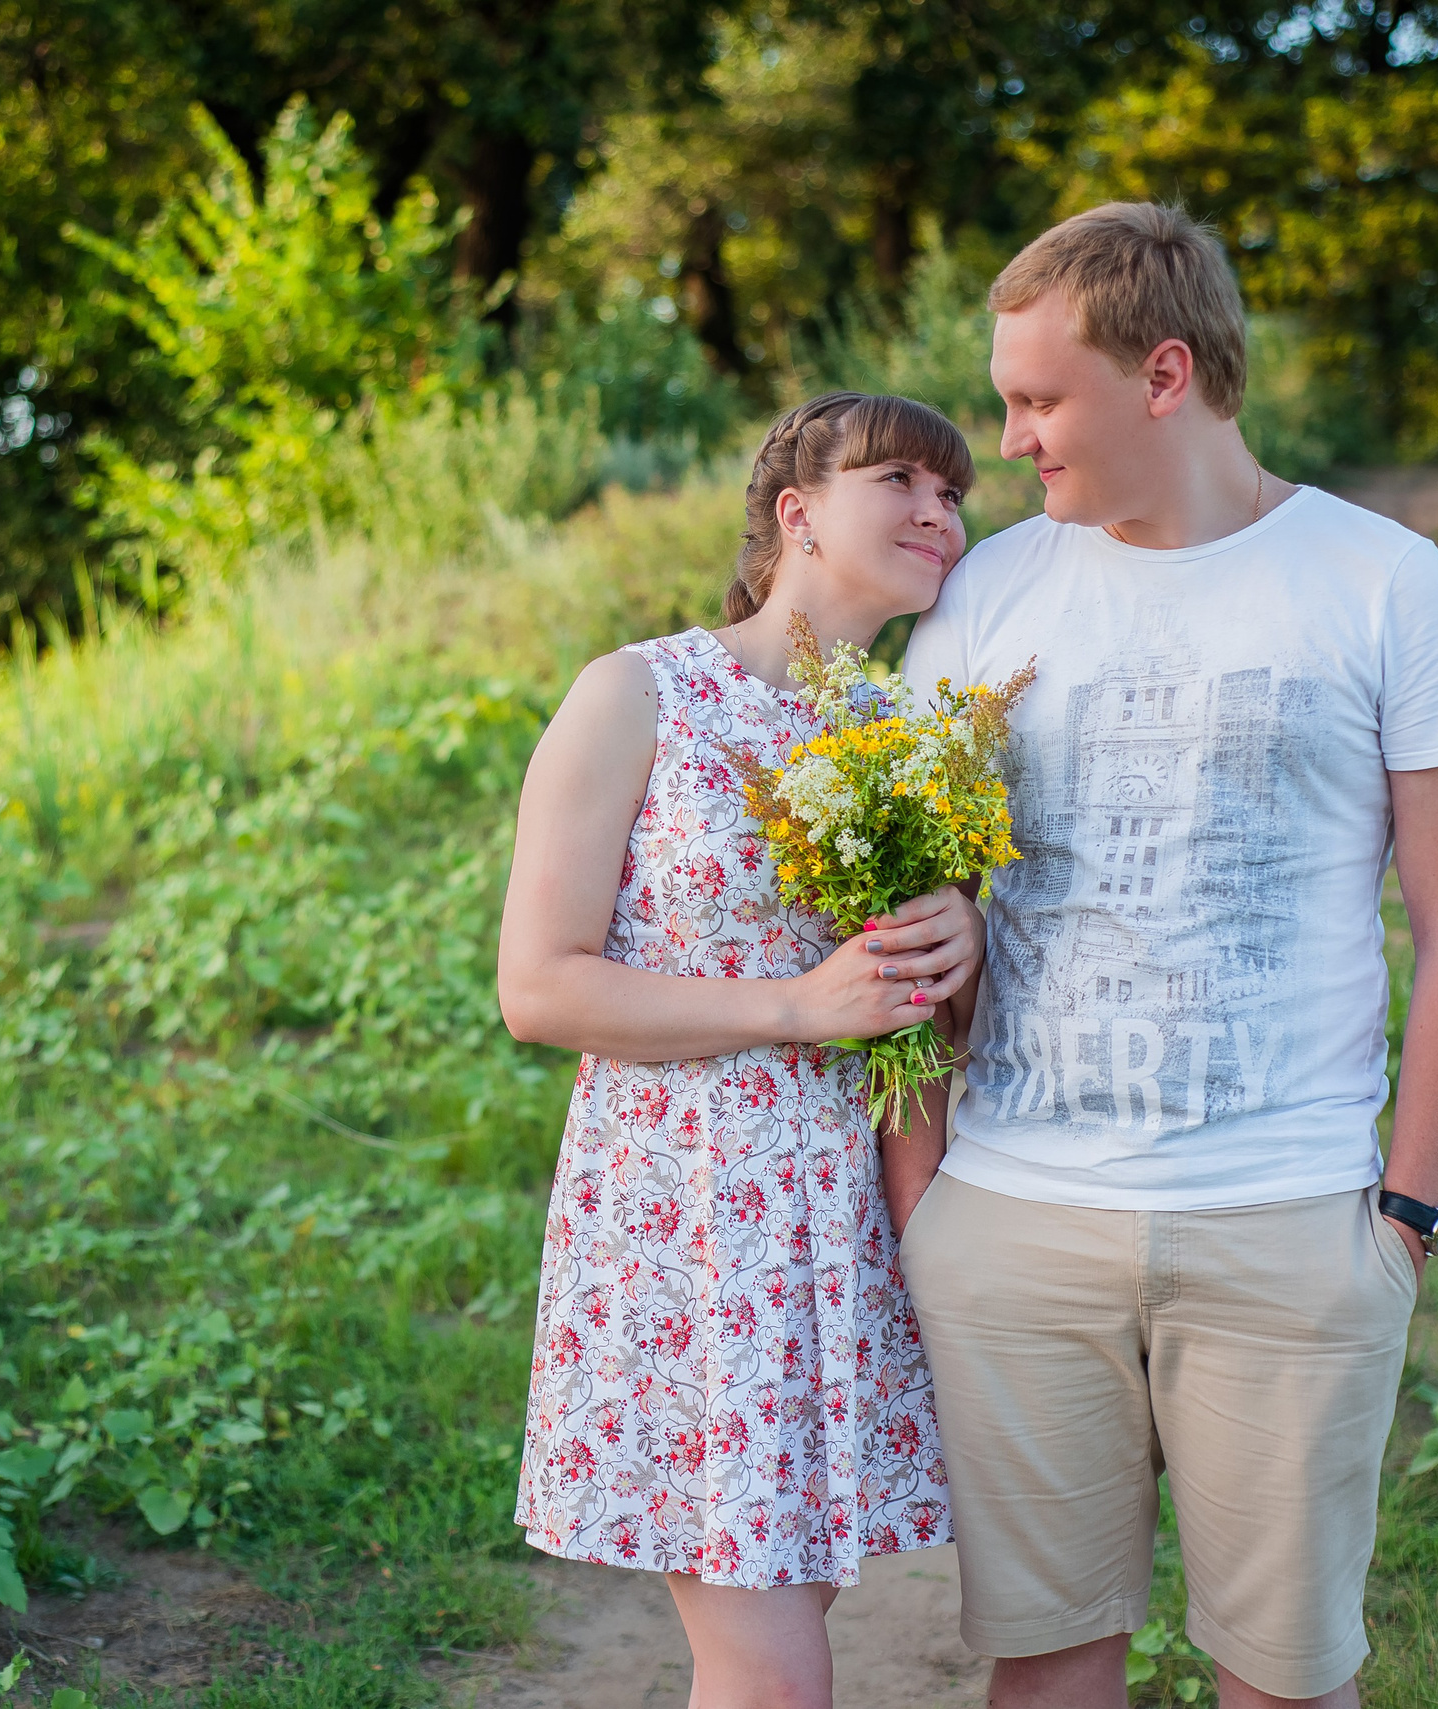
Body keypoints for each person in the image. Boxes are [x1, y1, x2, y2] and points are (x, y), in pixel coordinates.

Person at [889, 203, 1438, 1709]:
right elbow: (903, 923)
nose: (1012, 438)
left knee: (1287, 1682)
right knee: (1045, 1670)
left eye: (1040, 398)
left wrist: (1406, 1218)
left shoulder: (1391, 586)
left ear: (1165, 374)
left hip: (1288, 1224)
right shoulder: (989, 593)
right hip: (1016, 1220)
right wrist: (927, 1209)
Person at [499, 392, 986, 1709]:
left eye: (956, 496)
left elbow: (921, 1035)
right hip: (692, 1229)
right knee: (773, 1669)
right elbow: (538, 988)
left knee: (768, 1644)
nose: (940, 513)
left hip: (846, 1234)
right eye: (902, 480)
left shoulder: (908, 736)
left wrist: (961, 945)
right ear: (797, 513)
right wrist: (793, 1005)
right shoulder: (637, 693)